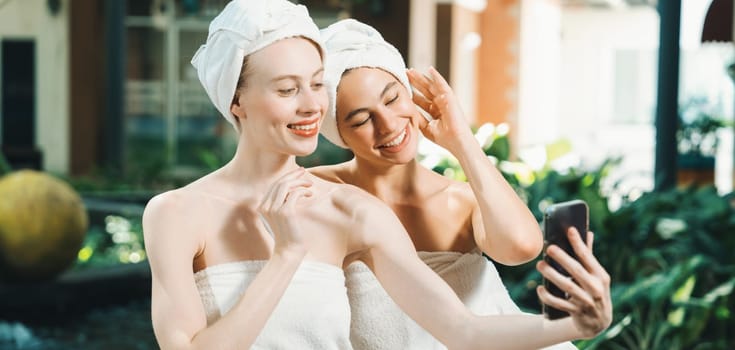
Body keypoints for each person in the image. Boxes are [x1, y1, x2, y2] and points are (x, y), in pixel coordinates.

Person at [143, 1, 612, 349]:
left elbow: (463, 330)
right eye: (287, 89)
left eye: (314, 84)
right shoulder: (176, 213)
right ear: (235, 102)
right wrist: (286, 255)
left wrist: (577, 324)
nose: (310, 104)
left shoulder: (352, 210)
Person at [311, 19, 606, 349]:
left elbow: (520, 247)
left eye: (393, 99)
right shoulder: (318, 193)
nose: (388, 124)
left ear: (409, 94)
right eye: (362, 119)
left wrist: (462, 141)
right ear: (338, 134)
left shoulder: (457, 199)